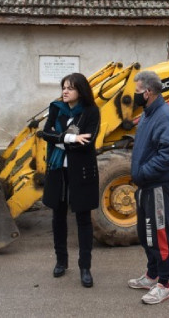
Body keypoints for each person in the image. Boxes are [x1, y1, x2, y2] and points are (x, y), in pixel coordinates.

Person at [39, 73, 100, 288]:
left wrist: (58, 139)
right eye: (63, 87)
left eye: (70, 88)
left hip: (81, 172)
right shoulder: (57, 108)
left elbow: (87, 142)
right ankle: (61, 261)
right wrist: (70, 137)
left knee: (83, 219)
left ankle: (85, 267)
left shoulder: (91, 111)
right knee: (58, 217)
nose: (65, 91)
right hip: (58, 171)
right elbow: (45, 134)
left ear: (80, 91)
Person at [128, 71, 169, 305]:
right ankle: (152, 274)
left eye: (137, 91)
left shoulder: (164, 115)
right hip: (145, 186)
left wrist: (143, 172)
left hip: (156, 186)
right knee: (145, 233)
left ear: (148, 92)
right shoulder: (148, 113)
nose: (135, 95)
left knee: (159, 235)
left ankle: (164, 284)